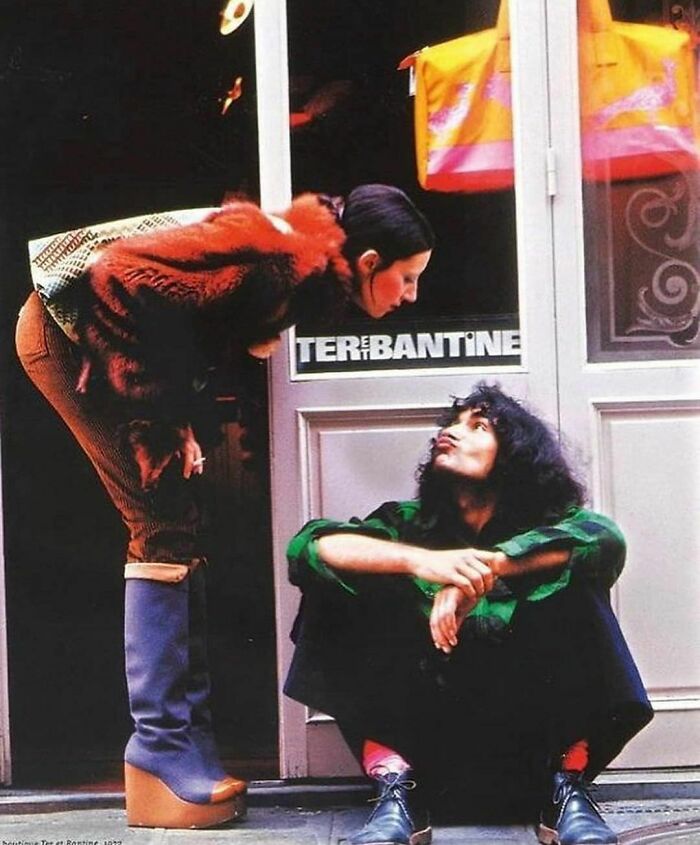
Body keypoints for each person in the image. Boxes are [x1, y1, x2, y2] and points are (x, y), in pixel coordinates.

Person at [15, 184, 434, 829]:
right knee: (160, 522)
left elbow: (186, 325)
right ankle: (159, 747)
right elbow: (121, 281)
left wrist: (181, 413)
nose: (412, 296)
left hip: (100, 337)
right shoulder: (279, 260)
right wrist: (160, 420)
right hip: (66, 335)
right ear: (370, 262)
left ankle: (183, 738)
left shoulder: (299, 270)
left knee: (177, 521)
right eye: (407, 278)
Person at [284, 384, 653, 845]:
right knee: (337, 582)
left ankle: (568, 790)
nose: (451, 432)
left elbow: (606, 539)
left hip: (532, 755)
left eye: (478, 426)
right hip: (424, 753)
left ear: (515, 454)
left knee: (577, 582)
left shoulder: (552, 528)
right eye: (452, 424)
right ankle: (395, 789)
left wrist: (486, 569)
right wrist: (423, 563)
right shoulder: (408, 523)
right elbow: (309, 547)